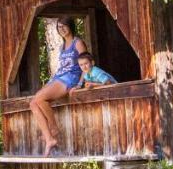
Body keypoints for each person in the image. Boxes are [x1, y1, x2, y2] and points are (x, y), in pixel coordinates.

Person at [29, 19, 116, 156]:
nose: (61, 28)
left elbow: (85, 64)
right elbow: (61, 68)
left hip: (70, 78)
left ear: (70, 26)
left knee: (40, 99)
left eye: (64, 25)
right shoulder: (61, 46)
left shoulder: (78, 42)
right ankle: (49, 138)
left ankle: (53, 128)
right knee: (33, 103)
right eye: (59, 27)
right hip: (59, 77)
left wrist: (79, 84)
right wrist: (50, 81)